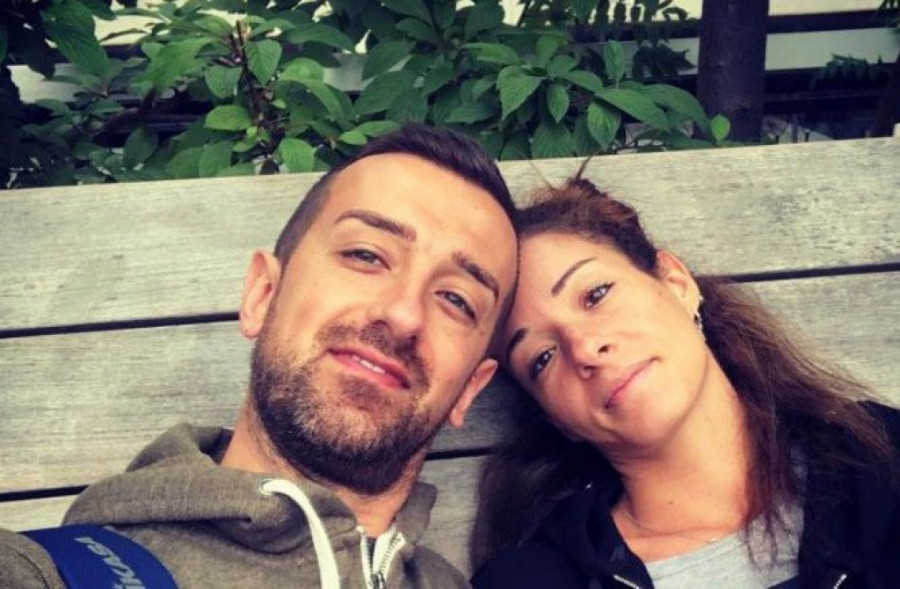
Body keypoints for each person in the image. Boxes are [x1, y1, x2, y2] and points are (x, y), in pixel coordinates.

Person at [0, 123, 519, 588]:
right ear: (263, 296)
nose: (403, 315)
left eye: (457, 300)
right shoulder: (46, 572)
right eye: (365, 255)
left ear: (470, 388)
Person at [471, 172, 900, 588]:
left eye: (596, 295)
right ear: (556, 418)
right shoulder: (534, 581)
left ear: (676, 284)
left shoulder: (880, 459)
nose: (584, 349)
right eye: (542, 358)